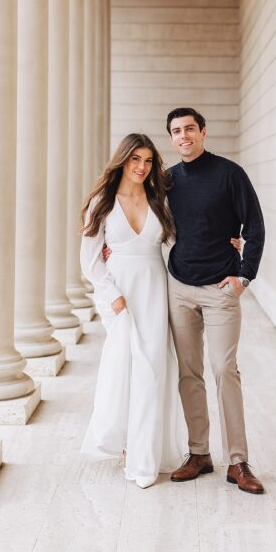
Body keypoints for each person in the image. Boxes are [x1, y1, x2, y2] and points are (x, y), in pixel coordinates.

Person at [163, 107, 267, 495]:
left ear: (203, 132)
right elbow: (144, 220)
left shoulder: (229, 174)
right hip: (179, 286)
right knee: (189, 373)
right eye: (176, 131)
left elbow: (254, 226)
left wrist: (244, 277)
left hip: (221, 288)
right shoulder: (168, 180)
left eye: (190, 128)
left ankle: (238, 461)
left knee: (225, 371)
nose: (184, 136)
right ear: (171, 138)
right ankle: (199, 454)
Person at [80, 133, 187, 489]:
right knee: (127, 367)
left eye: (148, 160)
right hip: (119, 295)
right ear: (122, 160)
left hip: (154, 289)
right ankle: (129, 446)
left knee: (153, 368)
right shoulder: (103, 201)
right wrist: (112, 295)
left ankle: (144, 453)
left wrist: (228, 241)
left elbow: (180, 241)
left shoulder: (160, 200)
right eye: (135, 159)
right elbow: (90, 260)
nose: (141, 167)